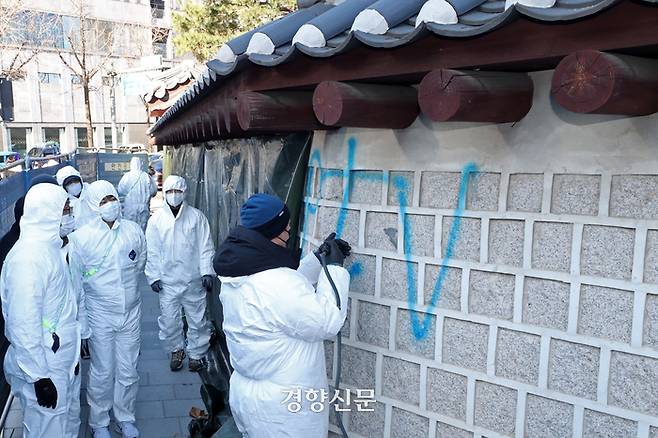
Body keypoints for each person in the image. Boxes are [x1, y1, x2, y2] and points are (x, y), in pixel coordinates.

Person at [213, 193, 351, 438]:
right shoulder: (277, 283)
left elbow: (285, 301)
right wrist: (334, 269)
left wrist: (317, 260)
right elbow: (327, 321)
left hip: (249, 397)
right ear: (273, 232)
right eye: (286, 228)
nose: (289, 232)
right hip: (283, 411)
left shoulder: (238, 271)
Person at [0, 183, 82, 437]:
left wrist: (74, 353)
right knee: (47, 429)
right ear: (47, 213)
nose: (69, 215)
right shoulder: (28, 259)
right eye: (64, 210)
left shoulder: (52, 248)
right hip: (44, 366)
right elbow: (23, 324)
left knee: (67, 422)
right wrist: (39, 377)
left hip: (61, 359)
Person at [68, 180, 146, 438]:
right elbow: (76, 285)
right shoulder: (81, 239)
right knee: (103, 371)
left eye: (112, 198)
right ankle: (99, 421)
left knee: (128, 369)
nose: (110, 205)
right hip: (99, 314)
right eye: (103, 201)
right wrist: (84, 326)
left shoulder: (133, 230)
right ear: (93, 205)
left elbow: (139, 262)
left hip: (131, 312)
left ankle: (125, 417)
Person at [145, 175, 214, 372]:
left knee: (197, 319)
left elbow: (205, 246)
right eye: (169, 192)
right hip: (167, 282)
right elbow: (152, 250)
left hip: (193, 280)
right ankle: (176, 350)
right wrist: (154, 276)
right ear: (164, 193)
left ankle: (196, 354)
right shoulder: (156, 220)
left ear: (185, 192)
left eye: (177, 191)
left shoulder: (197, 217)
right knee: (169, 321)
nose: (173, 196)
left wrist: (207, 271)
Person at [117, 157, 157, 231]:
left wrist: (128, 194)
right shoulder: (146, 176)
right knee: (143, 228)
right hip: (144, 207)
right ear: (141, 164)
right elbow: (154, 191)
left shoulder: (127, 176)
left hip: (130, 207)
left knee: (130, 229)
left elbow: (121, 190)